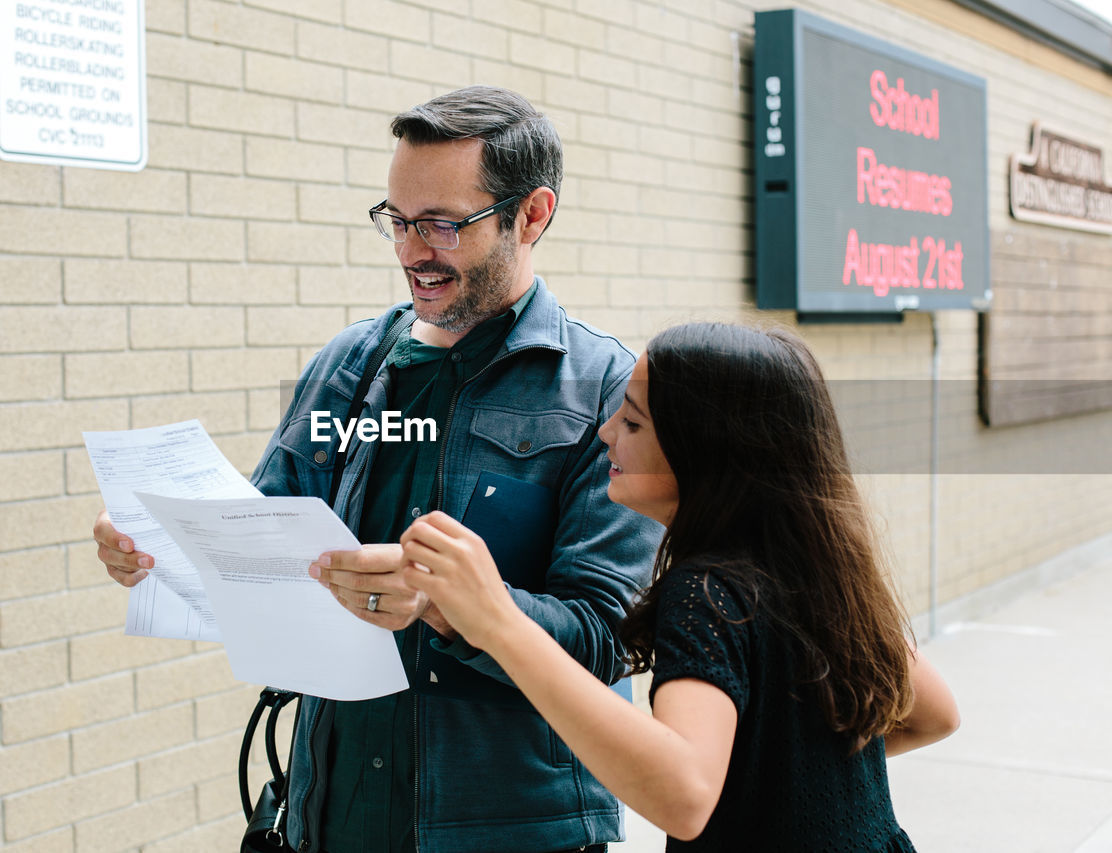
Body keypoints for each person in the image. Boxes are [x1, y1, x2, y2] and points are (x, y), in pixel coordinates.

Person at [94, 86, 661, 853]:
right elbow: (258, 538)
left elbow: (604, 636)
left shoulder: (603, 390)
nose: (410, 251)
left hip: (514, 831)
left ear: (531, 215)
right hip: (336, 816)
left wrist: (449, 601)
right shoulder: (350, 365)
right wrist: (159, 550)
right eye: (397, 221)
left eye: (441, 225)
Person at [401, 322, 961, 851]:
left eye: (634, 423)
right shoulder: (817, 564)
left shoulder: (706, 592)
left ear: (707, 450)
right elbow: (936, 713)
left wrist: (497, 622)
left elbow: (684, 795)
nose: (605, 433)